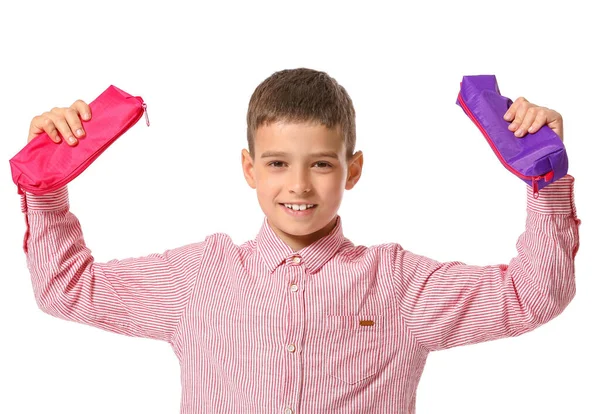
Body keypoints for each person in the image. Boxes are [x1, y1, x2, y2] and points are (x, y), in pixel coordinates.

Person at [20, 68, 580, 413]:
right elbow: (67, 290)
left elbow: (531, 297)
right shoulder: (199, 279)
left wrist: (546, 175)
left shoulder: (398, 285)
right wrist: (44, 180)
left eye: (320, 164)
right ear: (249, 168)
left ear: (352, 169)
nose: (298, 185)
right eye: (277, 163)